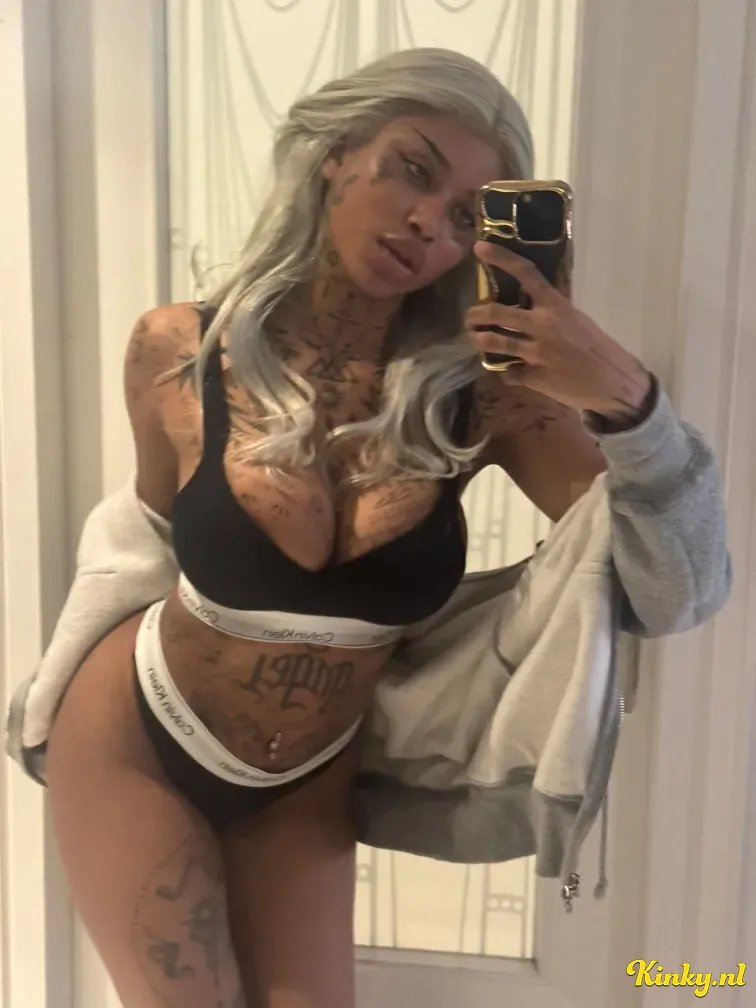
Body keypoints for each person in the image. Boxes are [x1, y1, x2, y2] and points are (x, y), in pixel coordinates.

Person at [43, 48, 728, 1008]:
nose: (427, 224)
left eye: (466, 217)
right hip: (137, 734)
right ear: (335, 153)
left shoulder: (487, 401)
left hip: (308, 779)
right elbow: (151, 538)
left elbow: (676, 593)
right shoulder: (180, 347)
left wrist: (625, 401)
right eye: (412, 170)